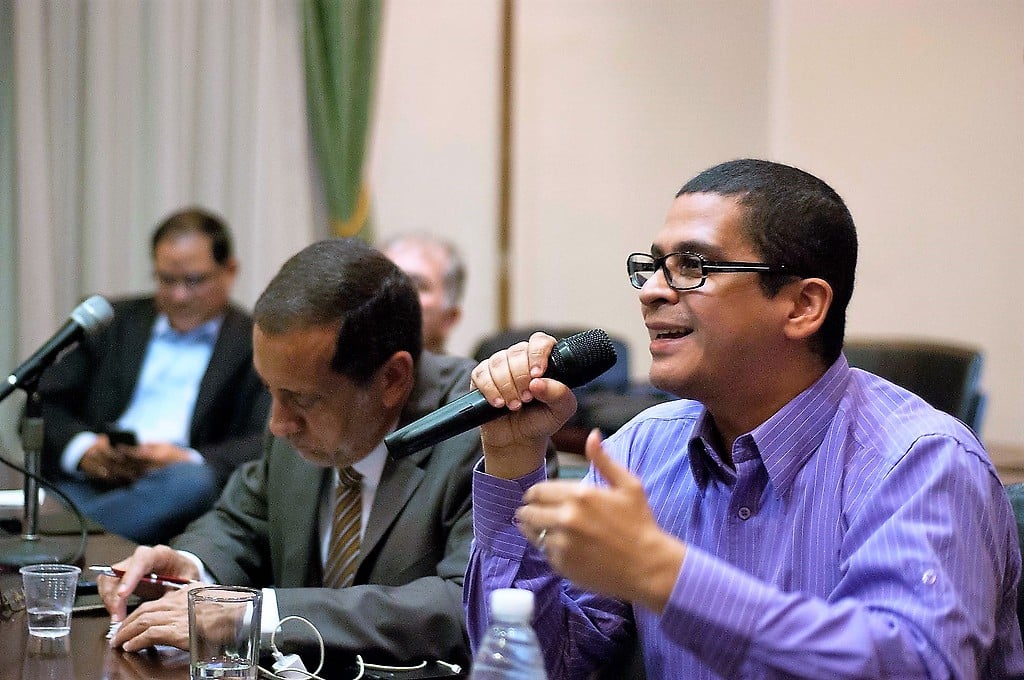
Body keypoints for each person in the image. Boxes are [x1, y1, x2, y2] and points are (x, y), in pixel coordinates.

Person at [464, 159, 1024, 678]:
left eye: (691, 266)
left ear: (802, 306)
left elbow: (917, 666)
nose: (652, 291)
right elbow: (545, 665)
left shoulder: (921, 462)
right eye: (653, 266)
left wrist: (665, 575)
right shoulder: (641, 450)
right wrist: (514, 458)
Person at [98, 238, 481, 670]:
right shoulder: (296, 407)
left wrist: (252, 617)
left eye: (302, 399)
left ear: (392, 379)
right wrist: (191, 568)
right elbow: (242, 521)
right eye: (270, 391)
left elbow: (465, 605)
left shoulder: (480, 429)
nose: (279, 424)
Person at [37, 207, 270, 544]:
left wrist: (187, 458)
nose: (179, 295)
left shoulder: (254, 342)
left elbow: (265, 440)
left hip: (176, 486)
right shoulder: (113, 322)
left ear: (229, 271)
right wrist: (85, 449)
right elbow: (43, 403)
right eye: (167, 280)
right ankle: (73, 532)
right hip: (95, 480)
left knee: (192, 483)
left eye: (194, 281)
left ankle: (63, 539)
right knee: (38, 493)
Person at [382, 233, 465, 354]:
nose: (395, 294)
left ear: (449, 319)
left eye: (417, 286)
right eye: (386, 282)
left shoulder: (466, 368)